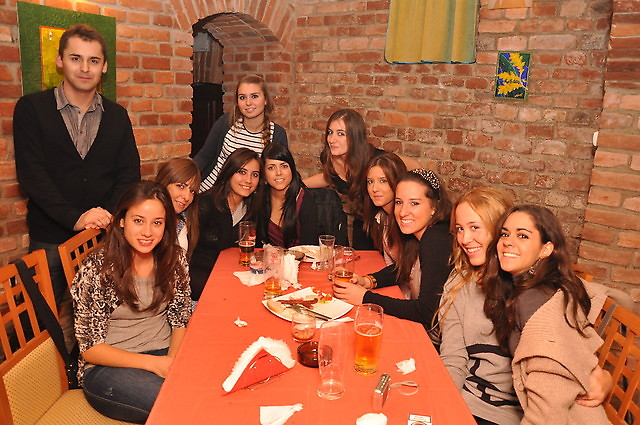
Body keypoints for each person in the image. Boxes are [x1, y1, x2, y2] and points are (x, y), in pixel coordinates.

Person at [13, 24, 140, 307]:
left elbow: (129, 175)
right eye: (75, 58)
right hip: (50, 240)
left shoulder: (117, 116)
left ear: (104, 67)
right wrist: (76, 218)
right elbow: (32, 175)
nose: (85, 68)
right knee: (37, 319)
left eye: (93, 60)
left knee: (99, 318)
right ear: (60, 60)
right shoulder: (31, 108)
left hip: (103, 238)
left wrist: (105, 216)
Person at [71, 181, 191, 423]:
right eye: (138, 220)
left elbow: (180, 320)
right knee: (178, 407)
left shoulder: (174, 259)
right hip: (109, 367)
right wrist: (154, 364)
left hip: (165, 352)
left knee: (212, 390)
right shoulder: (98, 269)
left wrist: (172, 362)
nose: (148, 232)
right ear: (122, 221)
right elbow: (91, 348)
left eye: (157, 223)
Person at [482, 205, 609, 425]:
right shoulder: (529, 289)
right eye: (505, 234)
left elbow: (548, 413)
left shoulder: (535, 301)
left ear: (546, 249)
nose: (508, 242)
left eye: (522, 235)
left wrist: (603, 376)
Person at [333, 169, 453, 341]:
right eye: (399, 202)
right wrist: (368, 281)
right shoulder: (422, 234)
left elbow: (426, 311)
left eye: (414, 203)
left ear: (435, 206)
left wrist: (365, 298)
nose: (403, 212)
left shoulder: (436, 239)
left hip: (437, 342)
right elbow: (405, 268)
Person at [438, 187, 521, 425]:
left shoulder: (526, 284)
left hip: (512, 415)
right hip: (468, 401)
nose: (464, 239)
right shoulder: (459, 281)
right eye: (460, 229)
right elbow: (454, 358)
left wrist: (600, 377)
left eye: (475, 227)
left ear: (500, 229)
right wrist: (443, 406)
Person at [305, 109, 419, 249]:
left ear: (355, 137)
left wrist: (408, 196)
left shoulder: (374, 159)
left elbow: (413, 166)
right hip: (362, 219)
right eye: (330, 132)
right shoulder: (329, 158)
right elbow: (330, 177)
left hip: (385, 218)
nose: (332, 139)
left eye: (340, 133)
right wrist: (298, 184)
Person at [190, 148, 262, 300]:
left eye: (255, 175)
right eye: (242, 172)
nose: (248, 180)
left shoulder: (252, 208)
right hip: (201, 279)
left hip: (234, 274)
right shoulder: (206, 204)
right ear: (229, 172)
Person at [194, 74, 287, 192]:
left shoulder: (277, 134)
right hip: (210, 191)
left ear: (266, 100)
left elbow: (277, 174)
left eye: (254, 96)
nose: (248, 102)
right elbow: (204, 156)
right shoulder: (226, 122)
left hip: (248, 197)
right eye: (242, 97)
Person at [257, 143, 319, 248]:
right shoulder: (260, 197)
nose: (278, 172)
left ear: (292, 169)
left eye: (284, 166)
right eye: (271, 168)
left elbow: (309, 248)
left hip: (299, 257)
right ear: (264, 173)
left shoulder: (304, 201)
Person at [362, 152, 407, 265]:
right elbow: (390, 265)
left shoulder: (406, 219)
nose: (374, 188)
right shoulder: (381, 218)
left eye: (383, 181)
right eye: (370, 182)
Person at [155, 158, 200, 258]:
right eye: (181, 186)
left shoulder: (186, 222)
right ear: (164, 183)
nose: (187, 197)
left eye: (192, 191)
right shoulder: (147, 219)